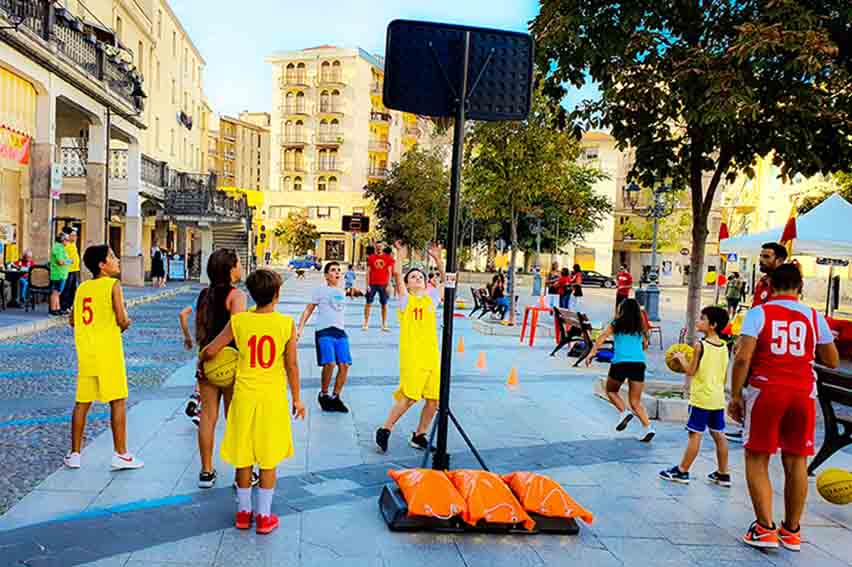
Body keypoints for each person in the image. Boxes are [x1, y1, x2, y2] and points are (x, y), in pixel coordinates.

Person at [728, 264, 838, 550]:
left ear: (770, 286)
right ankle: (792, 531)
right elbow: (832, 360)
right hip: (803, 393)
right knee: (796, 460)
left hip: (766, 390)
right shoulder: (815, 316)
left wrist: (736, 395)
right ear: (800, 287)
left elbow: (742, 358)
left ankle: (764, 528)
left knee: (757, 457)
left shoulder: (759, 313)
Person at [201, 268, 305, 535]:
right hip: (271, 397)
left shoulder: (239, 321)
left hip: (244, 396)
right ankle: (264, 516)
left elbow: (212, 349)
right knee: (268, 458)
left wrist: (203, 359)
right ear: (277, 294)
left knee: (243, 455)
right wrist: (297, 398)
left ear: (252, 294)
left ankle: (244, 514)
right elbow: (291, 365)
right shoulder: (285, 324)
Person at [64, 245, 143, 470]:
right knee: (117, 400)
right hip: (108, 351)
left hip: (87, 352)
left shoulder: (82, 288)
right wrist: (127, 322)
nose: (117, 260)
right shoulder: (113, 285)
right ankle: (121, 453)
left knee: (82, 403)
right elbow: (121, 319)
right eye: (112, 257)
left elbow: (72, 320)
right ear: (102, 265)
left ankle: (75, 454)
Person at [178, 249, 247, 488]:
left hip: (207, 363)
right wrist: (215, 350)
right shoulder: (237, 296)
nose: (241, 267)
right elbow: (235, 328)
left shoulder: (204, 294)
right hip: (228, 360)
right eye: (238, 263)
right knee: (234, 418)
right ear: (230, 269)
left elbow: (203, 326)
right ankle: (242, 472)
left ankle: (206, 471)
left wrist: (206, 353)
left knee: (207, 416)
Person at [375, 241, 444, 453]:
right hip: (413, 357)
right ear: (408, 283)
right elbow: (396, 274)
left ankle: (419, 435)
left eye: (421, 276)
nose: (417, 278)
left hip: (431, 356)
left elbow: (449, 279)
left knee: (434, 400)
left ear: (426, 282)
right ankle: (385, 429)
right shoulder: (406, 300)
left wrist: (437, 258)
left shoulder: (431, 300)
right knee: (410, 397)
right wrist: (399, 255)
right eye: (413, 277)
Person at [659, 306, 731, 486]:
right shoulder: (724, 346)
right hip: (717, 398)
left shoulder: (701, 345)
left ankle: (682, 471)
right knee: (719, 435)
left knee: (695, 435)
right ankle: (723, 474)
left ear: (712, 325)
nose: (699, 321)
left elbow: (691, 371)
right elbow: (723, 375)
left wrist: (680, 357)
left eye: (702, 319)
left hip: (701, 398)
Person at [727, 242, 788, 444]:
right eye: (761, 256)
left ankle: (768, 430)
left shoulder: (783, 285)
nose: (761, 260)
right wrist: (743, 337)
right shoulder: (762, 282)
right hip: (753, 340)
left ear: (779, 260)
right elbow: (755, 310)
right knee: (748, 384)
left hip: (769, 346)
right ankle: (747, 425)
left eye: (767, 256)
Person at [586, 298, 655, 442]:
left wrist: (592, 352)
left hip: (621, 363)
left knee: (611, 391)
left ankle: (624, 412)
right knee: (635, 401)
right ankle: (648, 428)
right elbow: (645, 344)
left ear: (621, 310)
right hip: (638, 364)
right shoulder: (640, 325)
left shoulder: (616, 323)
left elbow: (602, 337)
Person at [297, 261, 352, 413]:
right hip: (324, 331)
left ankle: (336, 397)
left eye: (339, 270)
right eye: (333, 270)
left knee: (345, 365)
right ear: (326, 275)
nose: (337, 273)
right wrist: (300, 328)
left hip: (340, 332)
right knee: (330, 363)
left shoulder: (341, 291)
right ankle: (324, 394)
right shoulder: (320, 290)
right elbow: (308, 310)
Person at [363, 244, 395, 331]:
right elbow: (368, 272)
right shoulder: (371, 258)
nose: (379, 248)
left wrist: (389, 285)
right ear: (375, 248)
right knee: (368, 303)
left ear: (383, 248)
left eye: (380, 247)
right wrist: (367, 285)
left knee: (384, 304)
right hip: (372, 284)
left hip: (384, 284)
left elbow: (390, 272)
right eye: (377, 246)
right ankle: (365, 323)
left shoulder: (388, 258)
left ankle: (384, 324)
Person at [49, 232, 72, 316]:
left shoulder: (60, 247)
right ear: (62, 240)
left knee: (58, 292)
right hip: (58, 274)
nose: (68, 242)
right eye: (67, 240)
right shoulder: (57, 248)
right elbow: (60, 262)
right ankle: (53, 309)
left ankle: (57, 308)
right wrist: (69, 261)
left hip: (61, 273)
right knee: (56, 292)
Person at [60, 227, 80, 312]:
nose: (75, 237)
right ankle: (64, 306)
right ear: (69, 236)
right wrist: (70, 262)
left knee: (73, 290)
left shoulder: (73, 245)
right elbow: (63, 259)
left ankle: (69, 305)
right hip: (68, 270)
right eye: (73, 235)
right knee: (66, 289)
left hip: (75, 270)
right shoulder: (66, 246)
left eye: (76, 235)